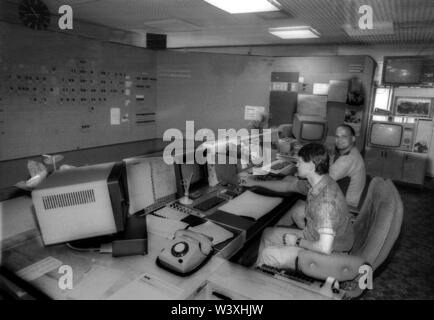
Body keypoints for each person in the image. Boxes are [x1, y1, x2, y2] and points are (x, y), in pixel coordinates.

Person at [240, 143, 354, 269]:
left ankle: (260, 274)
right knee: (268, 234)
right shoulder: (317, 182)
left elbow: (325, 248)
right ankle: (259, 269)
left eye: (299, 162)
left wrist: (297, 242)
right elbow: (286, 186)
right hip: (315, 237)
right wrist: (253, 183)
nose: (296, 165)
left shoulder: (326, 202)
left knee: (268, 255)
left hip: (330, 254)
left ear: (311, 165)